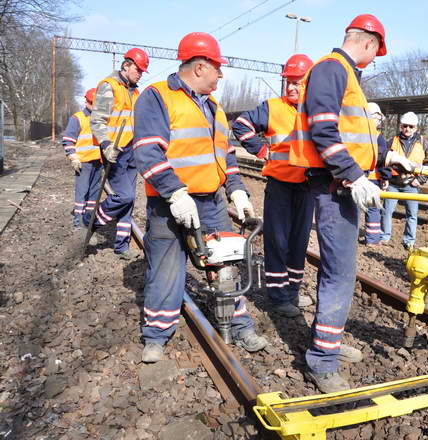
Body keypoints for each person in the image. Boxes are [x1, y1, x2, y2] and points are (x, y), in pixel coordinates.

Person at [289, 14, 413, 392]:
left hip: (340, 185)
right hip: (333, 187)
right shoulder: (332, 69)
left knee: (341, 272)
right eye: (377, 52)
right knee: (339, 274)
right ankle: (322, 360)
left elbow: (352, 136)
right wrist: (355, 175)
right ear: (369, 43)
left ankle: (331, 343)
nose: (375, 59)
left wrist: (386, 157)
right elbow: (324, 132)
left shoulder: (346, 77)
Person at [133, 32, 266, 363]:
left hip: (211, 203)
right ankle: (157, 335)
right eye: (217, 69)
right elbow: (148, 152)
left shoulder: (215, 108)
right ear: (200, 66)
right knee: (166, 267)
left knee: (226, 264)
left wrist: (236, 189)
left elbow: (226, 156)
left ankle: (238, 325)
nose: (220, 76)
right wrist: (176, 192)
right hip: (169, 203)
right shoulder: (157, 97)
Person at [231, 54, 315, 318]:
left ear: (308, 83)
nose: (291, 87)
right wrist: (261, 149)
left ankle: (292, 291)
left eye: (297, 82)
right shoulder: (272, 107)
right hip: (280, 185)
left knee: (299, 241)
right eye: (288, 82)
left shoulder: (316, 110)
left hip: (308, 185)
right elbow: (241, 125)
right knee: (278, 242)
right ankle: (278, 297)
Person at [84, 48, 149, 260]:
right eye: (138, 69)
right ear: (126, 65)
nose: (140, 74)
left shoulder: (135, 92)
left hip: (131, 151)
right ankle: (91, 221)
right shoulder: (109, 87)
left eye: (142, 71)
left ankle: (122, 246)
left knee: (129, 202)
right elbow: (97, 120)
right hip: (115, 151)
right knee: (124, 196)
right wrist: (106, 145)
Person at [381, 112, 428, 250]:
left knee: (412, 214)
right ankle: (384, 236)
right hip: (393, 183)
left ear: (416, 128)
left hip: (412, 184)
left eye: (411, 126)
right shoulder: (392, 141)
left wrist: (420, 180)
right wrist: (385, 178)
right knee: (386, 211)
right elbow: (384, 161)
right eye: (405, 126)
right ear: (401, 126)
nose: (407, 129)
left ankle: (409, 240)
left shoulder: (423, 143)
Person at [62, 88, 102, 229]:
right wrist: (73, 156)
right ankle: (79, 223)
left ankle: (89, 220)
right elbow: (68, 139)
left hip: (99, 162)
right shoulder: (77, 118)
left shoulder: (102, 118)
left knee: (94, 193)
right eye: (92, 103)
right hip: (83, 163)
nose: (94, 106)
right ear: (86, 102)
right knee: (82, 193)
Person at [363, 102, 391, 246]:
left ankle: (350, 236)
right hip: (374, 179)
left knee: (354, 208)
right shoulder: (379, 136)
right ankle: (372, 239)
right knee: (373, 209)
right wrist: (385, 178)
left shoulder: (358, 135)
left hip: (359, 178)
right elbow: (383, 160)